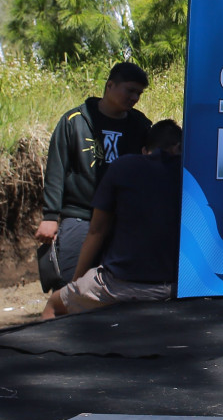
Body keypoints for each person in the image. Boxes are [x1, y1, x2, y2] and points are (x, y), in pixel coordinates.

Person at [42, 119, 182, 318]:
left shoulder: (123, 167)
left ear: (144, 151)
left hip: (117, 286)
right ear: (179, 147)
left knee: (53, 306)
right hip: (174, 288)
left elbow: (96, 231)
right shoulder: (190, 175)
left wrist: (75, 283)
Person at [36, 62, 152, 291]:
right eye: (130, 90)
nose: (134, 98)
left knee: (120, 287)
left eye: (139, 93)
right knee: (71, 285)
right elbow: (56, 170)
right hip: (80, 216)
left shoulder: (141, 125)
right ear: (110, 85)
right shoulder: (74, 121)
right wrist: (50, 215)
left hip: (122, 220)